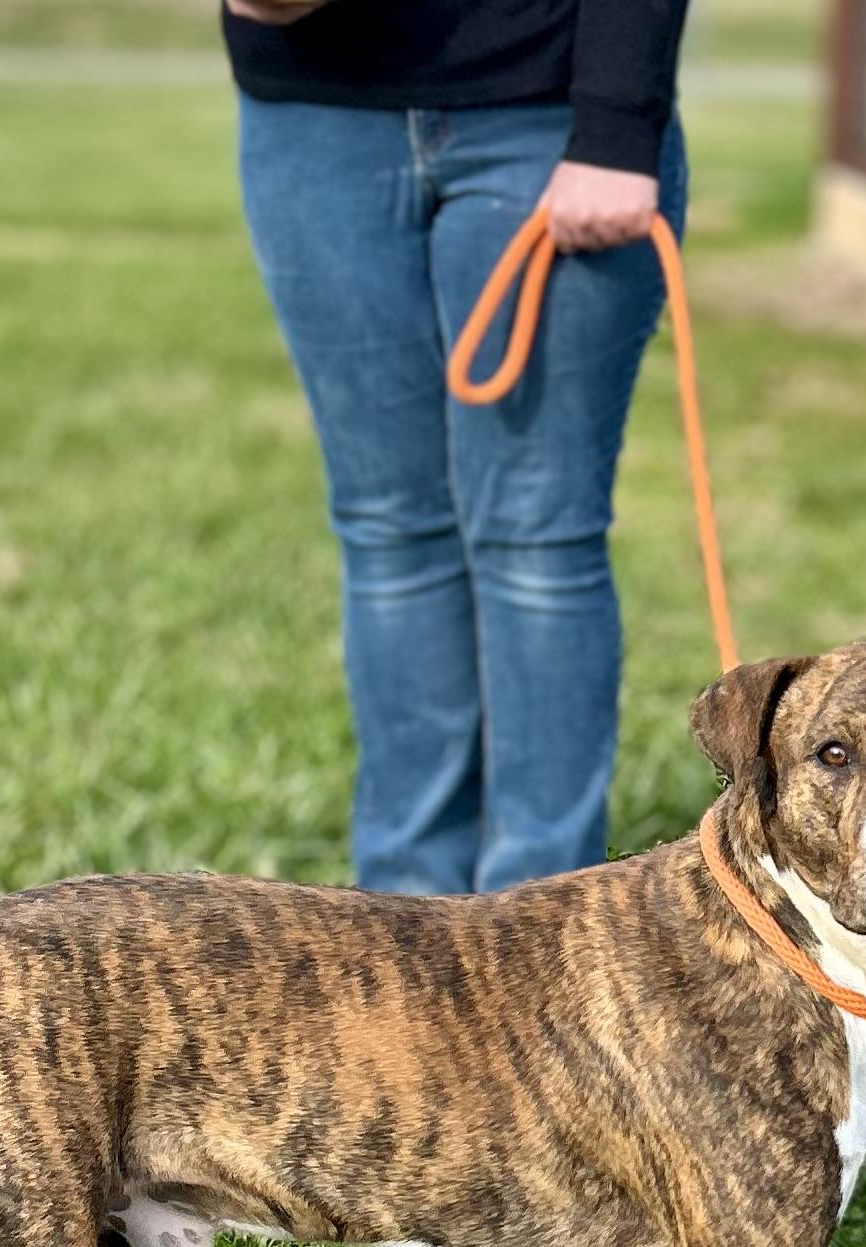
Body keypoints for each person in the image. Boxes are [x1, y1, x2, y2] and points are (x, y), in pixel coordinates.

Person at [223, 0, 690, 894]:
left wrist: (618, 124)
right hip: (311, 119)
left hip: (546, 109)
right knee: (388, 531)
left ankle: (540, 916)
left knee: (535, 539)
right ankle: (403, 913)